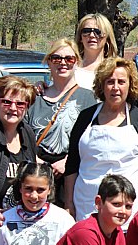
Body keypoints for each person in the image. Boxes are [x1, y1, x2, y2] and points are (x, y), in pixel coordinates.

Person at [64, 57, 138, 224]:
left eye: (121, 82)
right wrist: (69, 203)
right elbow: (72, 164)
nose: (115, 87)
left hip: (131, 208)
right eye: (110, 82)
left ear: (130, 85)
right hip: (88, 205)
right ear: (102, 85)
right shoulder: (85, 117)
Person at [26, 39, 97, 204]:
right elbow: (19, 135)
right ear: (48, 62)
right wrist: (35, 160)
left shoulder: (89, 98)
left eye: (69, 59)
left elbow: (93, 139)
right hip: (35, 176)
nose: (63, 63)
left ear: (76, 62)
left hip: (70, 177)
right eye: (56, 58)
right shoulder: (34, 97)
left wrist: (67, 162)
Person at [0, 76, 37, 231]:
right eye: (7, 102)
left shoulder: (27, 133)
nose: (13, 108)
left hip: (15, 224)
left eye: (20, 104)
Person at [74, 13, 118, 90]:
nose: (91, 35)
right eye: (86, 31)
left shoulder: (114, 69)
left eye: (98, 32)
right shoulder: (69, 68)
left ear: (107, 38)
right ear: (80, 37)